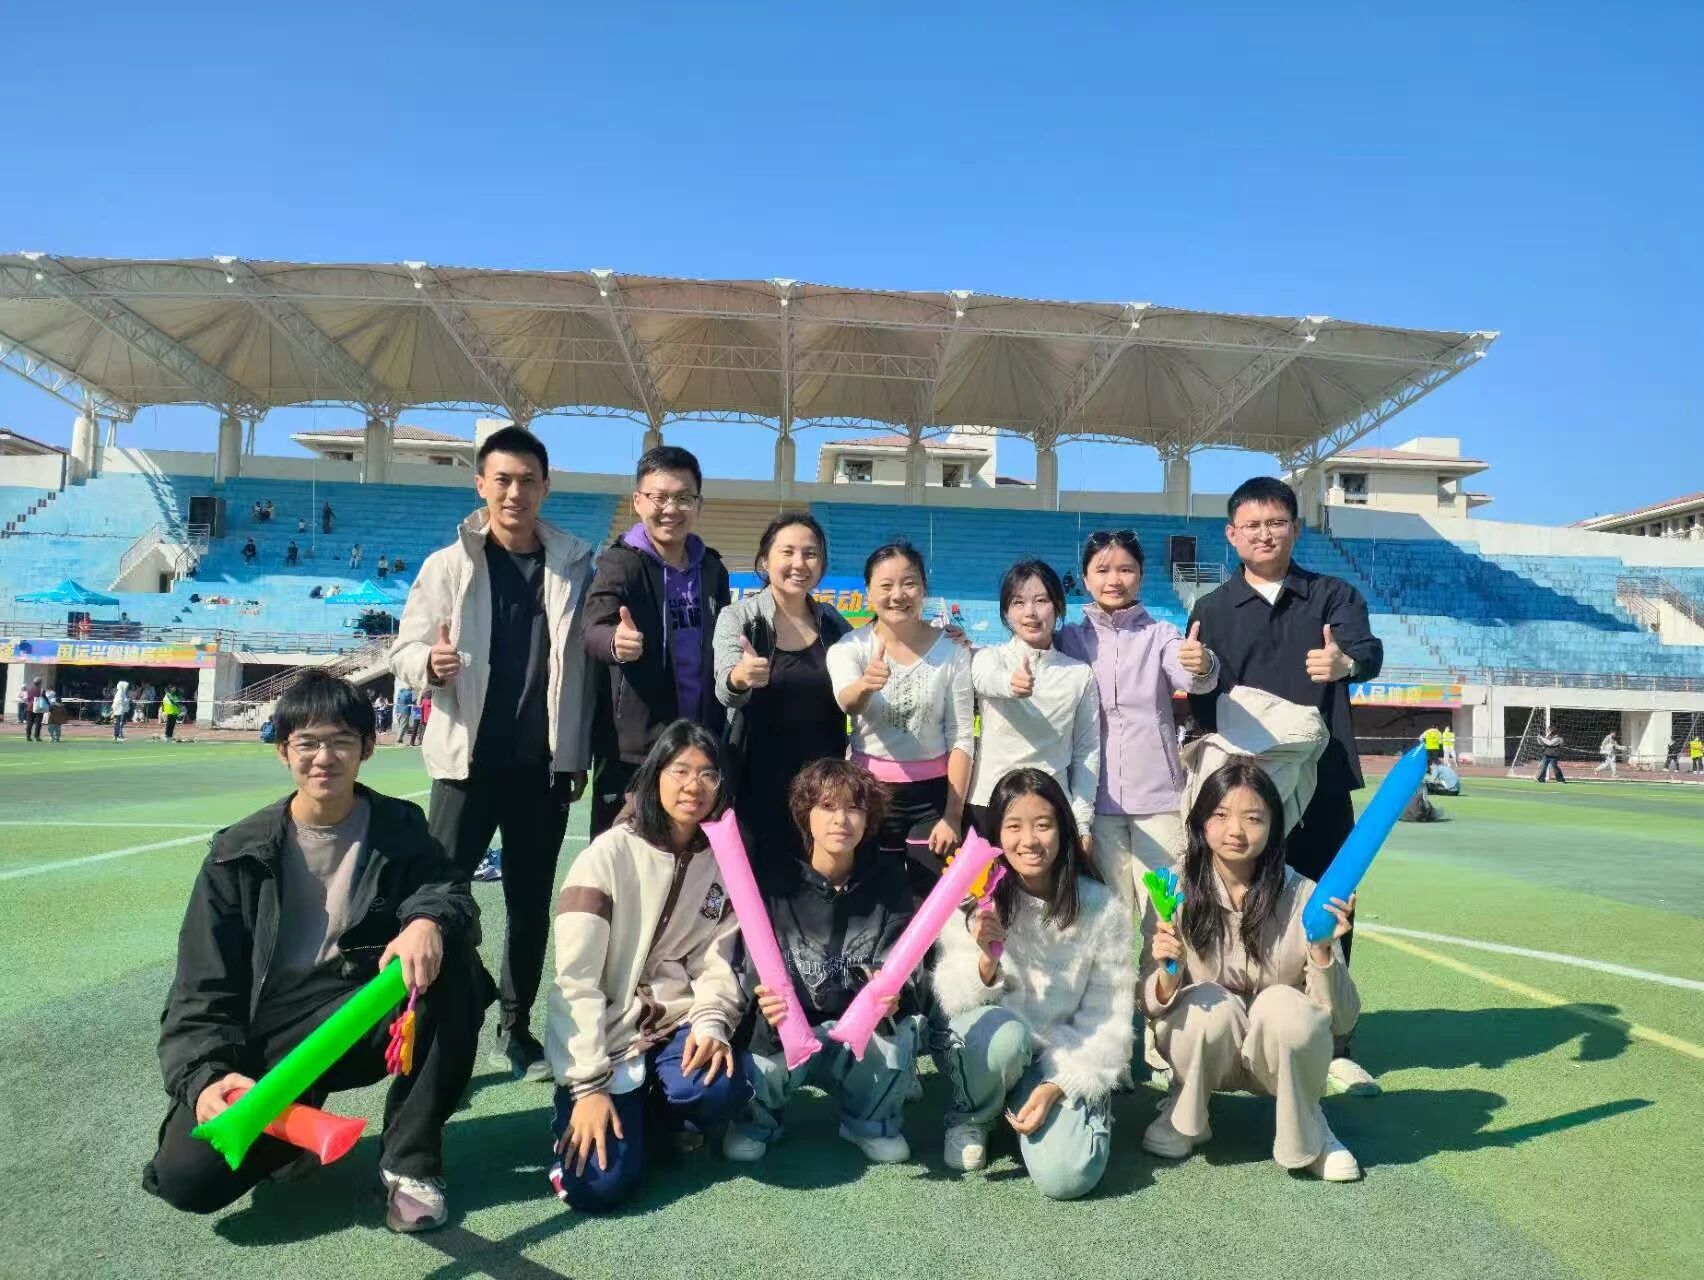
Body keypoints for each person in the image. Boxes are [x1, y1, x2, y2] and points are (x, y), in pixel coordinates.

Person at [141, 671, 486, 1232]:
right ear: (283, 750)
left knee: (453, 968)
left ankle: (409, 1164)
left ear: (367, 748)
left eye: (341, 741)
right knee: (188, 1180)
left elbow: (446, 888)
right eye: (307, 742)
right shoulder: (236, 854)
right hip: (267, 1039)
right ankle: (295, 1128)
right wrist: (204, 1080)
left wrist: (427, 919)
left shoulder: (398, 827)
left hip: (353, 1019)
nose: (324, 757)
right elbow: (200, 987)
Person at [391, 426, 597, 1081]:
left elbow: (584, 666)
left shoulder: (574, 566)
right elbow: (403, 650)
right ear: (481, 484)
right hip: (465, 765)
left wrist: (577, 754)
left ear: (545, 487)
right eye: (502, 479)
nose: (515, 492)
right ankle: (441, 1022)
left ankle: (515, 1026)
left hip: (543, 770)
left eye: (527, 480)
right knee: (438, 900)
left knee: (530, 906)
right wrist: (429, 663)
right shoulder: (447, 565)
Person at [1186, 477, 1382, 1097]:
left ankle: (1335, 1042)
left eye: (1276, 523)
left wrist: (1345, 664)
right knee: (1236, 905)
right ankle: (1230, 1025)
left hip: (1319, 782)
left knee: (1330, 903)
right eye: (1252, 525)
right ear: (1232, 534)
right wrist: (1197, 675)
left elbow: (1368, 650)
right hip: (1242, 800)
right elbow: (1203, 705)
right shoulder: (1211, 609)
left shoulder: (1332, 595)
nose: (1264, 534)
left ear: (1295, 528)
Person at [544, 721, 749, 1211]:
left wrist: (711, 1023)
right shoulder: (608, 854)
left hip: (676, 1020)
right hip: (609, 1034)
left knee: (721, 1086)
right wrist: (588, 1085)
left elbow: (717, 959)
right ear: (656, 775)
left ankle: (657, 1117)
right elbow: (575, 981)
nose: (694, 785)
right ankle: (580, 1114)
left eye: (708, 774)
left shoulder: (721, 857)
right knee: (598, 1189)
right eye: (680, 770)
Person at [1140, 758, 1362, 1181]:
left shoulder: (1306, 897)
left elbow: (1343, 1020)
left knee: (1282, 1005)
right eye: (1221, 815)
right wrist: (1168, 974)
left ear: (1274, 827)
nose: (1236, 831)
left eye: (1253, 818)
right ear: (1201, 823)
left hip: (1276, 1055)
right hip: (1210, 1049)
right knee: (1207, 1001)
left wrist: (1322, 951)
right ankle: (1187, 1111)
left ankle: (1308, 1125)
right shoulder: (1172, 891)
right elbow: (1148, 1003)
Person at [930, 768, 1133, 1199]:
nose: (1029, 840)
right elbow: (950, 1000)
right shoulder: (974, 898)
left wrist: (1061, 1084)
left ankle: (1070, 1105)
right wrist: (986, 961)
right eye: (1013, 827)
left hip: (1064, 1055)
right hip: (1000, 1050)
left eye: (1043, 825)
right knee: (1002, 1035)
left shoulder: (1101, 908)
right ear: (996, 834)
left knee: (1067, 1178)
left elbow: (1109, 1019)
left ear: (1063, 829)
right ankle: (974, 1114)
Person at [724, 758, 920, 1165]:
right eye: (827, 807)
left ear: (869, 818)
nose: (840, 820)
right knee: (754, 1039)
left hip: (855, 1032)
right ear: (805, 814)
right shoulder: (775, 880)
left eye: (854, 808)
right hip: (787, 1026)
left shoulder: (889, 880)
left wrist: (894, 996)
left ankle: (868, 1123)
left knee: (902, 1033)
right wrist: (761, 996)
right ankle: (756, 1122)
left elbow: (900, 962)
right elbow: (748, 962)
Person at [1058, 530, 1218, 902]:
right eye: (1102, 570)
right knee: (1108, 911)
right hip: (1094, 801)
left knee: (1165, 911)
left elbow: (1192, 677)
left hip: (1159, 799)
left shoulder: (1161, 635)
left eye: (1126, 570)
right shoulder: (1067, 639)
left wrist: (1202, 663)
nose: (1114, 580)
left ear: (1141, 576)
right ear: (1085, 578)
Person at [582, 445, 730, 836]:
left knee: (691, 852)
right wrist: (615, 641)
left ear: (698, 504)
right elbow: (592, 628)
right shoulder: (620, 562)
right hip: (636, 749)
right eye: (659, 497)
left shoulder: (712, 569)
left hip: (699, 745)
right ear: (638, 501)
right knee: (621, 850)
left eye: (683, 498)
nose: (671, 509)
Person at [827, 542, 974, 901]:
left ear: (923, 589)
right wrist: (866, 684)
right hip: (870, 794)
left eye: (909, 583)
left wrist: (953, 816)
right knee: (874, 900)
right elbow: (847, 702)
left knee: (932, 902)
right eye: (885, 585)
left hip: (933, 797)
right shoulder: (850, 648)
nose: (898, 595)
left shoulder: (952, 650)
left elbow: (960, 736)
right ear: (868, 593)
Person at [712, 512, 852, 885]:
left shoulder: (833, 623)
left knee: (815, 887)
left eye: (810, 553)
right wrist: (741, 677)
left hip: (821, 789)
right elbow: (724, 687)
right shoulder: (739, 618)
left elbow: (874, 655)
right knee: (754, 890)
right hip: (755, 785)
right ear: (764, 561)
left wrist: (941, 637)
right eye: (787, 552)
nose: (799, 563)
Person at [969, 559, 1100, 840]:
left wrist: (1082, 822)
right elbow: (985, 680)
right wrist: (1011, 684)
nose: (1030, 612)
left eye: (1041, 600)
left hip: (1051, 808)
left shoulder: (1079, 674)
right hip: (989, 803)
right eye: (1018, 602)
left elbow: (1087, 752)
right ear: (1005, 612)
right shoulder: (989, 658)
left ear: (1058, 607)